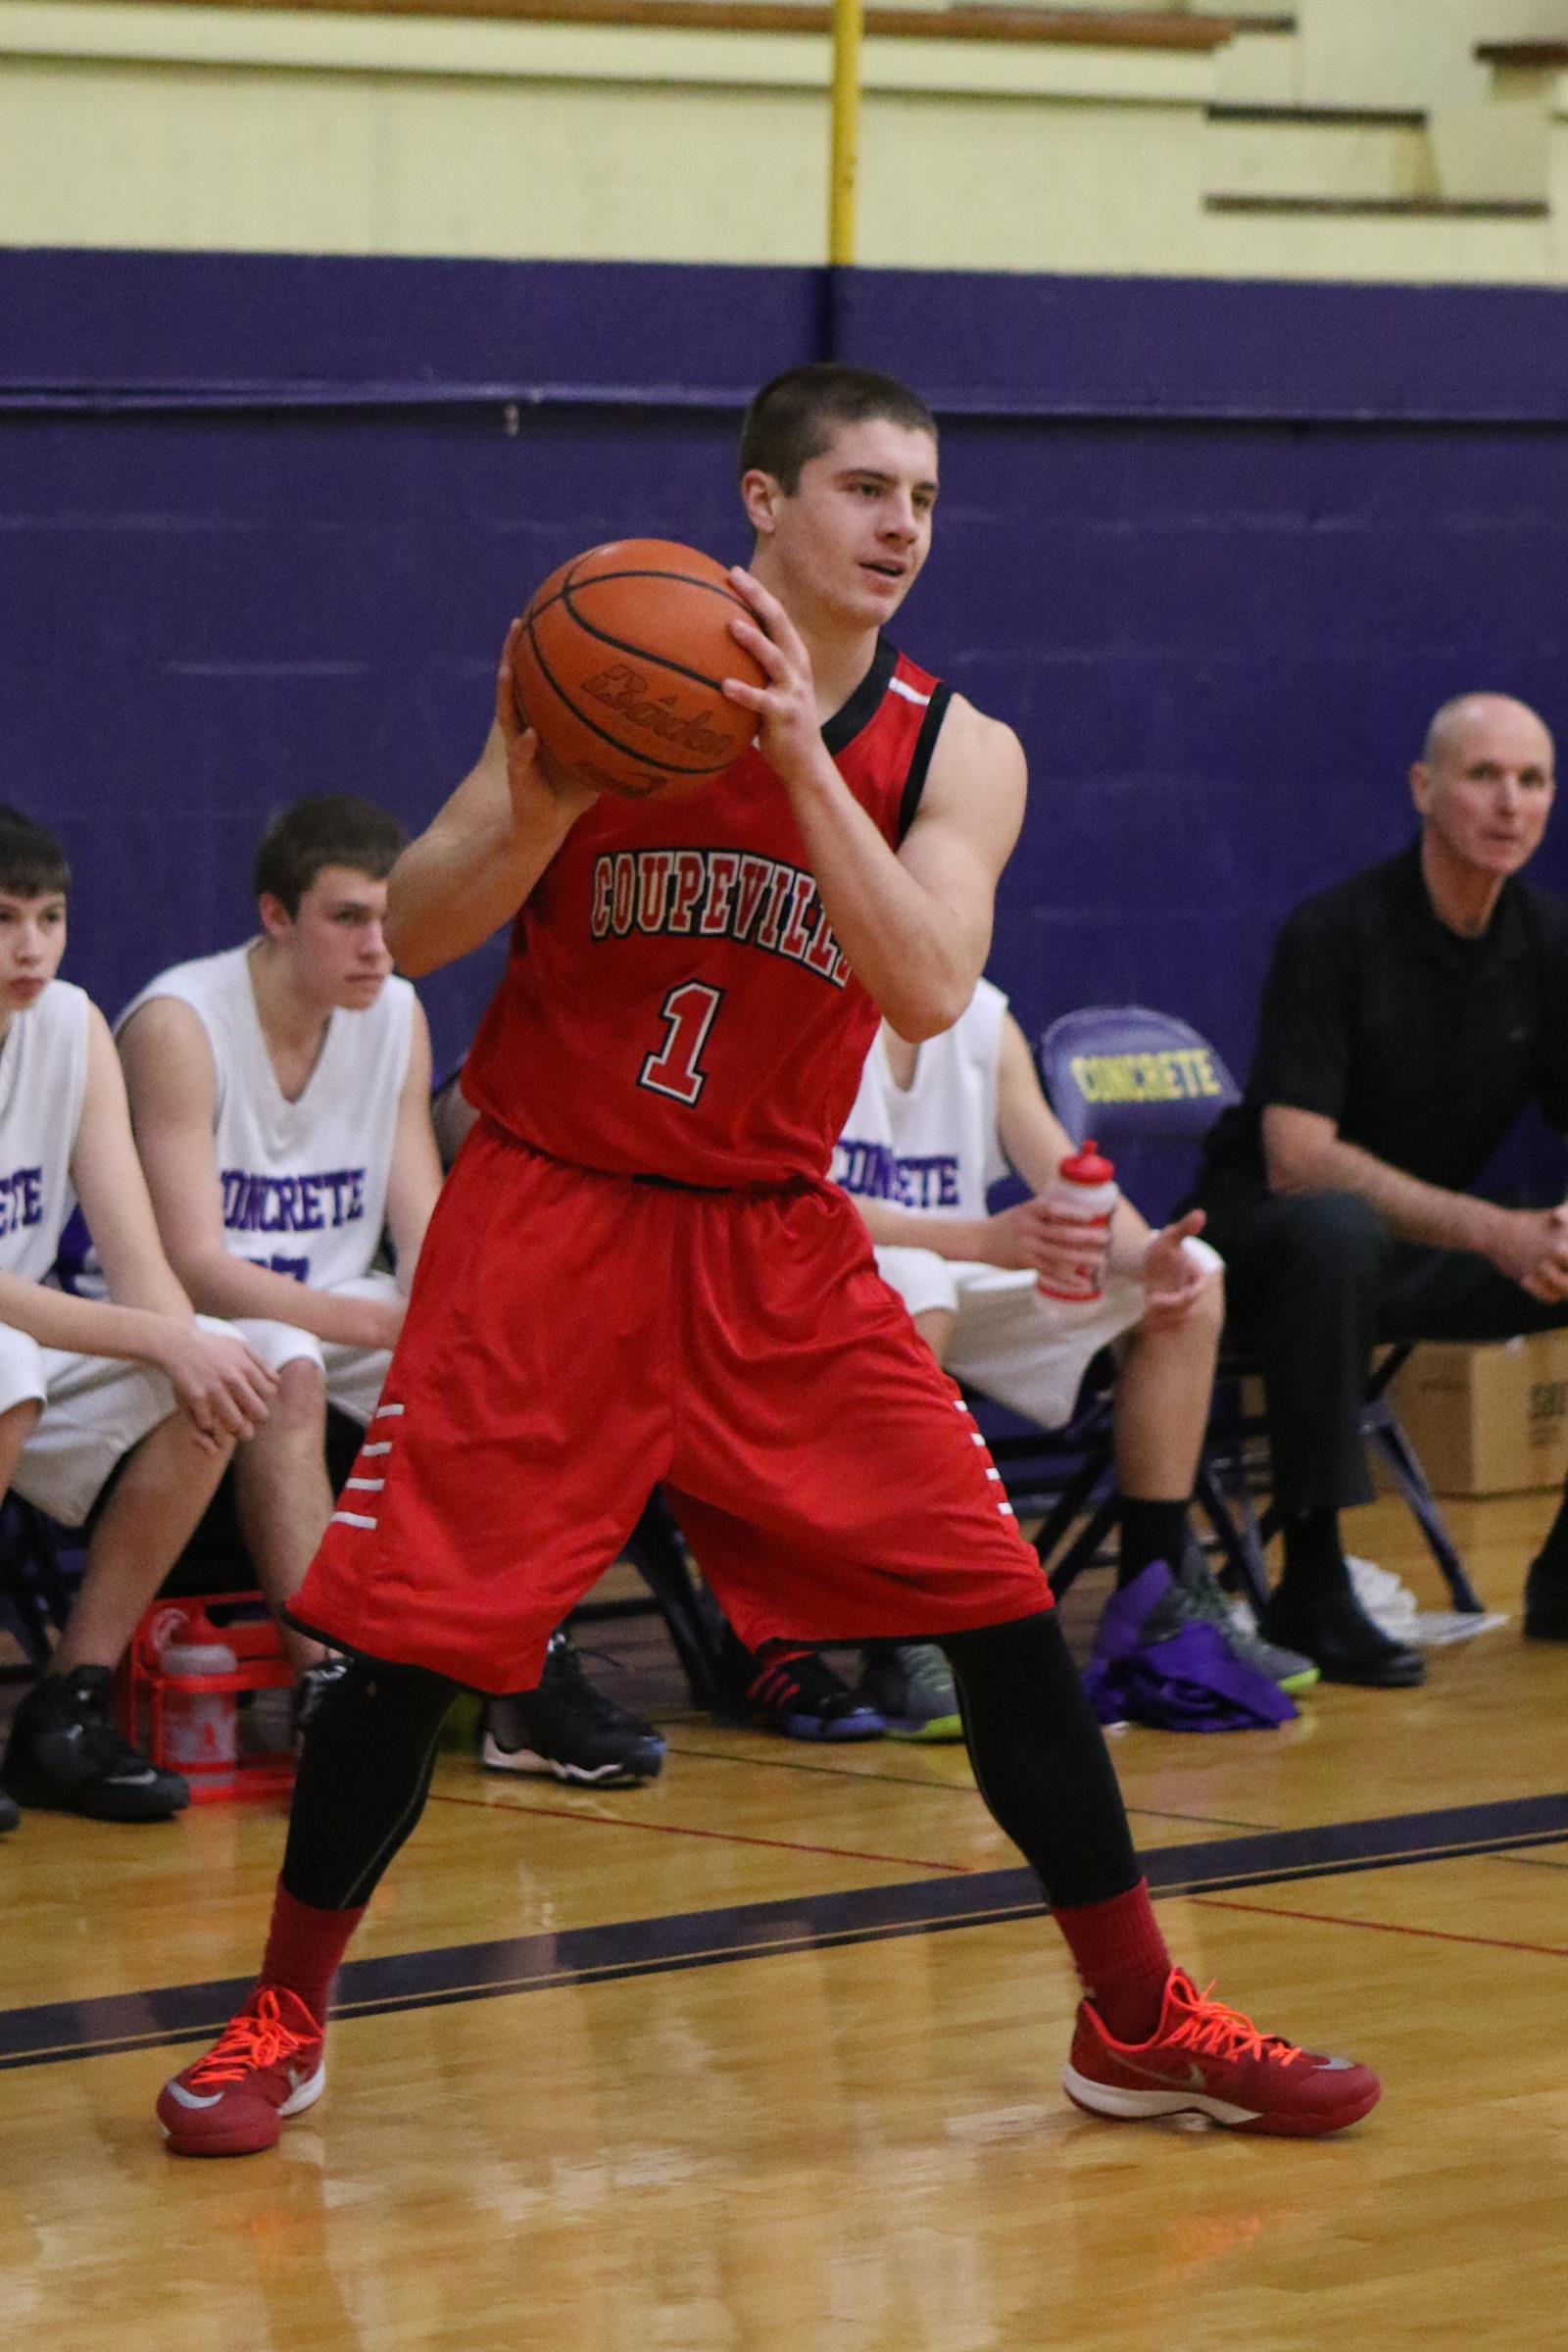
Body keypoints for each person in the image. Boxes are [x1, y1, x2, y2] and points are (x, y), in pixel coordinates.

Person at [157, 365, 1378, 2157]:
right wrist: (550, 796)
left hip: (773, 1239)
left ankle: (1136, 2019)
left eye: (925, 499)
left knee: (999, 1615)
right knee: (406, 1643)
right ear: (763, 501)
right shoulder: (598, 650)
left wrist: (799, 757)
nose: (902, 527)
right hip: (550, 1217)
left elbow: (929, 987)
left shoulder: (956, 748)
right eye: (866, 489)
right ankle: (281, 2016)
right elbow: (410, 930)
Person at [1195, 691, 1568, 1686]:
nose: (1511, 802)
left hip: (1414, 1252)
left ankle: (1567, 1573)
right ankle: (1312, 1584)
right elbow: (1296, 1158)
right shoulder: (1334, 933)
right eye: (1484, 775)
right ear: (1423, 788)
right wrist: (1497, 1231)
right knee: (1335, 1228)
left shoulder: (1546, 944)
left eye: (1532, 780)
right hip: (1262, 1244)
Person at [831, 980, 1318, 1710]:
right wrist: (982, 1241)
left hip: (962, 1270)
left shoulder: (981, 1016)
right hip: (834, 1279)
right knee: (916, 1282)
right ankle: (902, 1623)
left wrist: (1148, 1256)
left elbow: (1067, 1180)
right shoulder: (807, 998)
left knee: (1193, 1279)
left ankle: (1156, 1592)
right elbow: (797, 1200)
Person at [115, 796, 442, 1714]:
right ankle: (328, 1689)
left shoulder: (397, 1013)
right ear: (276, 915)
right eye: (349, 918)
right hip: (199, 1310)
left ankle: (515, 1659)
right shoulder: (180, 1023)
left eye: (388, 920)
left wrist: (449, 1319)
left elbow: (424, 1224)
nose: (377, 947)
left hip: (339, 1298)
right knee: (289, 1367)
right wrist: (372, 1322)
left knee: (487, 1367)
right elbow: (193, 1262)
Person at [0, 808, 275, 1826]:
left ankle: (68, 1703)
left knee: (215, 1370)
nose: (31, 947)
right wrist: (163, 1335)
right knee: (10, 1365)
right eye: (3, 920)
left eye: (49, 918)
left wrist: (188, 1349)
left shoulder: (72, 1027)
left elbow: (135, 1256)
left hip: (25, 1346)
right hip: (9, 1348)